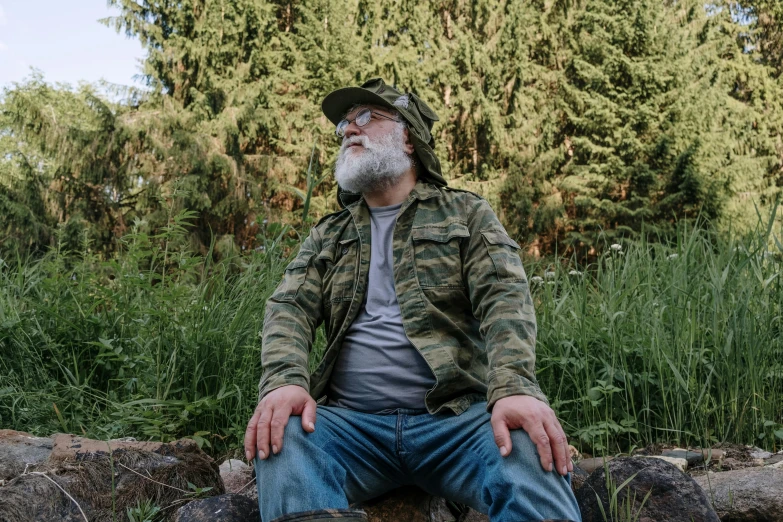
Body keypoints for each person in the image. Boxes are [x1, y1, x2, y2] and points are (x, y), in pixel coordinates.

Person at [244, 78, 582, 522]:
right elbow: (289, 307)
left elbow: (505, 298)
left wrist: (514, 388)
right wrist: (286, 379)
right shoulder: (330, 233)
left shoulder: (465, 214)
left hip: (458, 425)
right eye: (344, 123)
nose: (348, 129)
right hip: (349, 428)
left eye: (366, 117)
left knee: (525, 445)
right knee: (284, 438)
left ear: (408, 137)